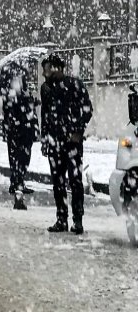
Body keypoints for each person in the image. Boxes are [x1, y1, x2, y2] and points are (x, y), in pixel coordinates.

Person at [40, 54, 93, 234]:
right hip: (54, 141)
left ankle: (77, 220)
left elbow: (87, 109)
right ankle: (61, 218)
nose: (43, 73)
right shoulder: (45, 88)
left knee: (75, 181)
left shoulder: (75, 85)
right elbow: (45, 115)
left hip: (72, 142)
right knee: (58, 182)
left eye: (46, 69)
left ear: (56, 68)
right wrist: (44, 139)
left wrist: (78, 131)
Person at [0, 56, 38, 210]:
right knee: (17, 155)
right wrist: (21, 102)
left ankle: (19, 181)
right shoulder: (9, 88)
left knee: (24, 155)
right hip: (16, 127)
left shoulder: (22, 86)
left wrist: (32, 102)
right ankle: (17, 183)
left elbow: (23, 103)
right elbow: (10, 106)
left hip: (24, 126)